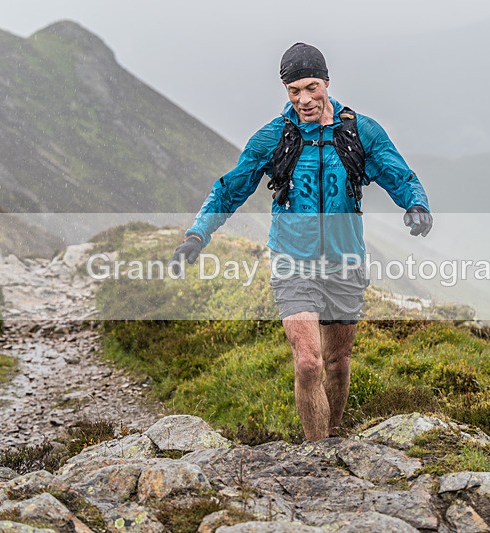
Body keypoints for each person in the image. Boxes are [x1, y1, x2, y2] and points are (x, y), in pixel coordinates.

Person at [173, 42, 432, 441]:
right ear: (286, 91)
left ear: (327, 82)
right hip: (292, 261)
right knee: (309, 363)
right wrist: (196, 234)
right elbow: (228, 190)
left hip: (346, 261)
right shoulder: (273, 138)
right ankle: (317, 454)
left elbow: (401, 176)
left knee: (338, 362)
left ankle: (333, 435)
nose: (305, 99)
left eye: (312, 87)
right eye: (294, 91)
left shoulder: (361, 131)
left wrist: (416, 205)